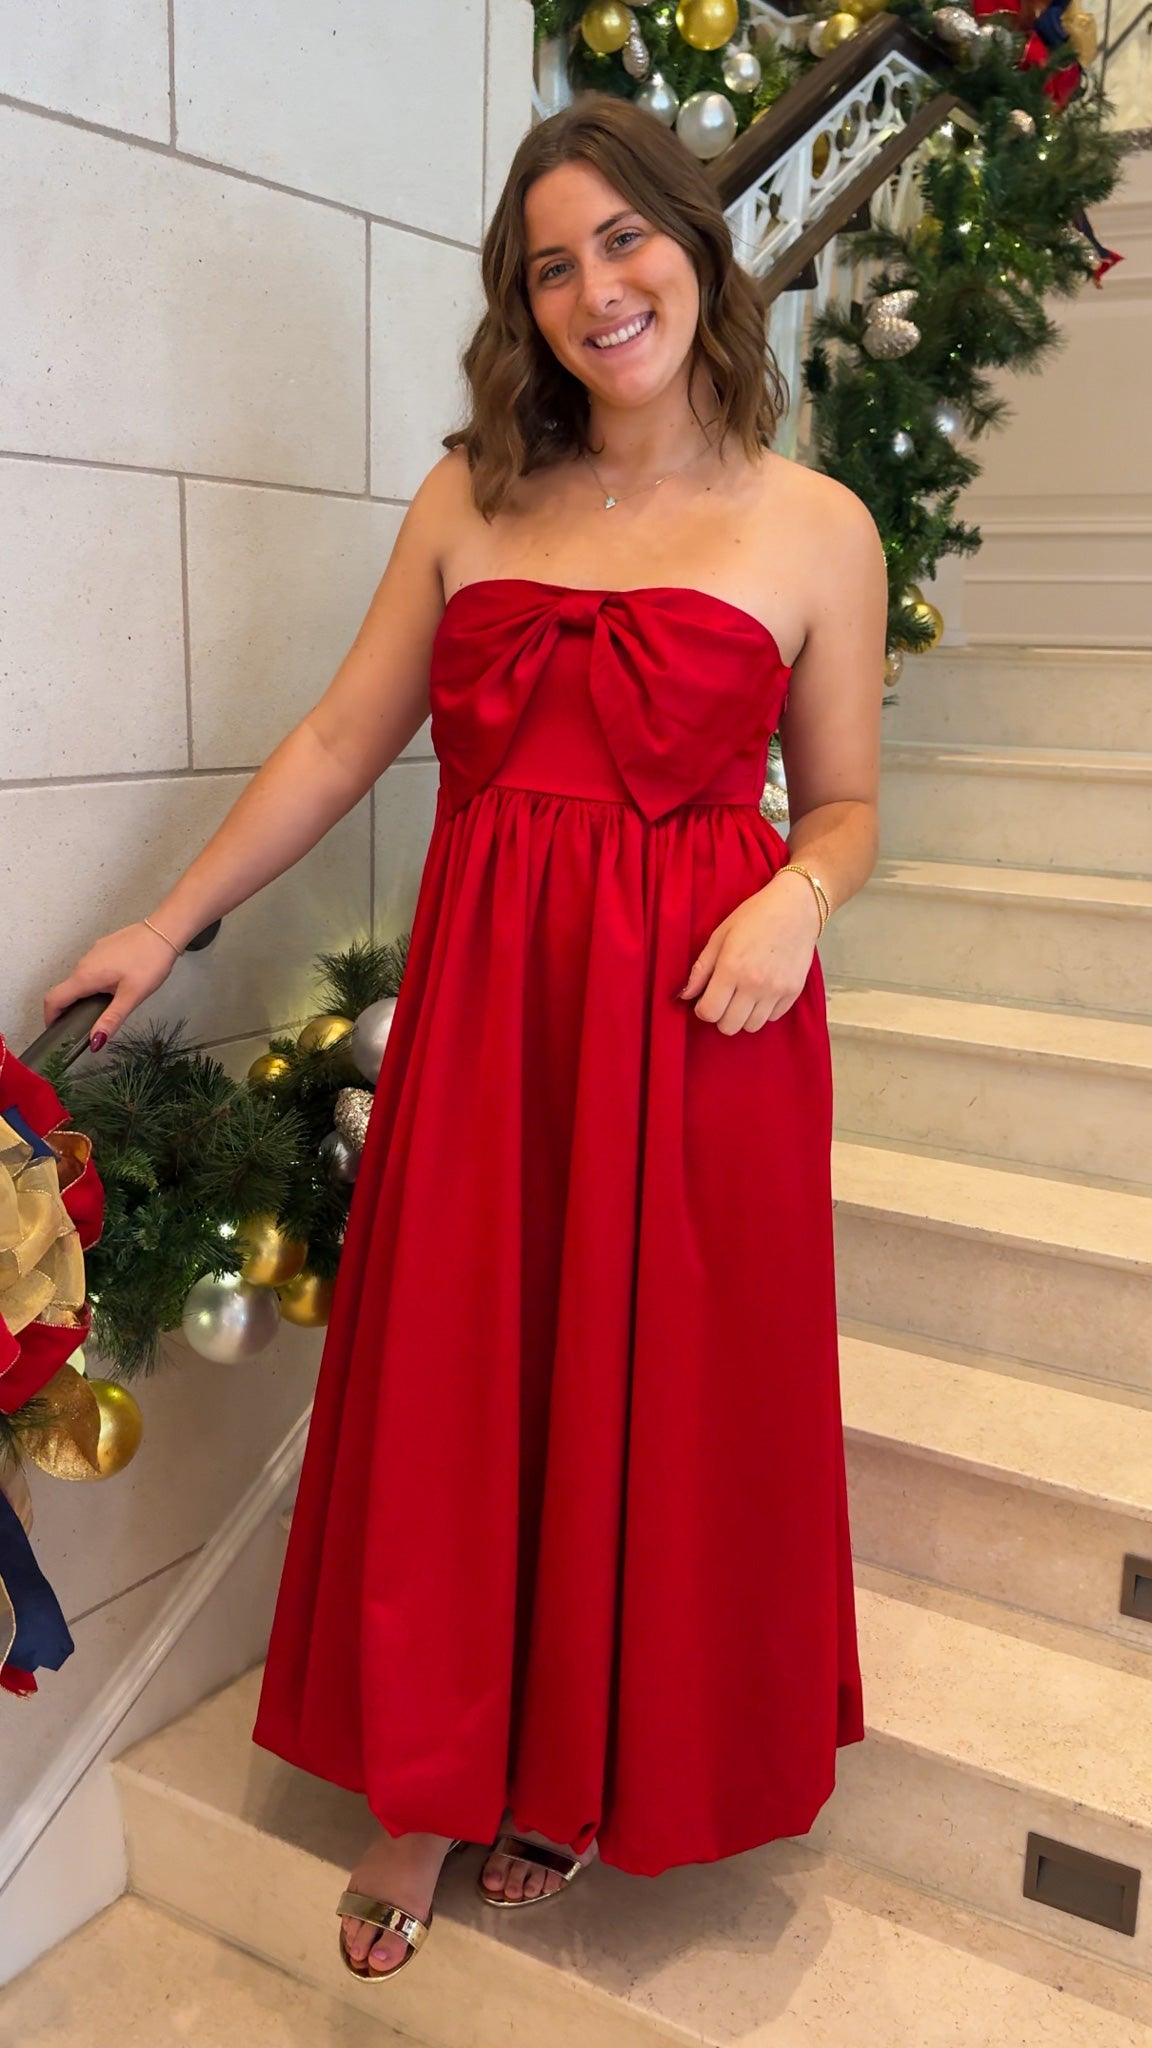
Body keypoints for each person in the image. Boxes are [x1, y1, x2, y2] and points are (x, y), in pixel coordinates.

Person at [44, 93, 886, 1983]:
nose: (600, 290)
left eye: (626, 240)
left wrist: (797, 897)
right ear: (525, 305)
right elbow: (342, 741)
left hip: (703, 1018)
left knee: (656, 1393)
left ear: (697, 246)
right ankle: (426, 1778)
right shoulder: (469, 498)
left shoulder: (818, 524)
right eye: (553, 266)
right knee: (461, 1376)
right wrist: (168, 922)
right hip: (496, 1015)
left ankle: (583, 1769)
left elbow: (845, 806)